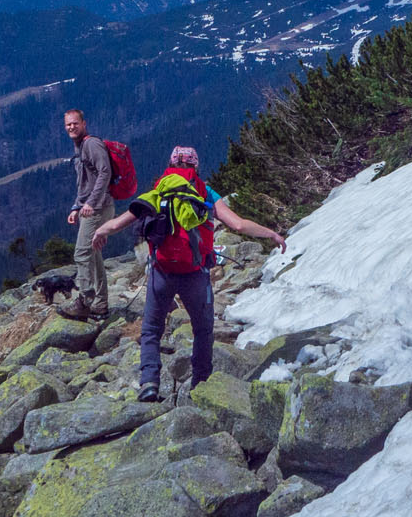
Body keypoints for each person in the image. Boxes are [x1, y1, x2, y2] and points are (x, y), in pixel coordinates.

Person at [92, 145, 287, 403]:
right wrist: (272, 234)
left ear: (171, 164)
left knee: (151, 329)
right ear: (195, 166)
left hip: (161, 273)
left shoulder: (158, 190)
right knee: (203, 329)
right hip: (195, 273)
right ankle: (201, 385)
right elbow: (237, 224)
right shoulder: (205, 191)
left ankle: (149, 383)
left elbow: (118, 223)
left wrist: (99, 232)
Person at [60, 109, 114, 320]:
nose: (71, 127)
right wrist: (76, 206)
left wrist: (91, 203)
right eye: (68, 125)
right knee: (93, 254)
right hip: (91, 207)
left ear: (84, 123)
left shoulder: (91, 144)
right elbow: (85, 183)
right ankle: (99, 304)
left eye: (75, 123)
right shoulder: (80, 147)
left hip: (98, 208)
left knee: (82, 254)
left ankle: (84, 302)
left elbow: (105, 172)